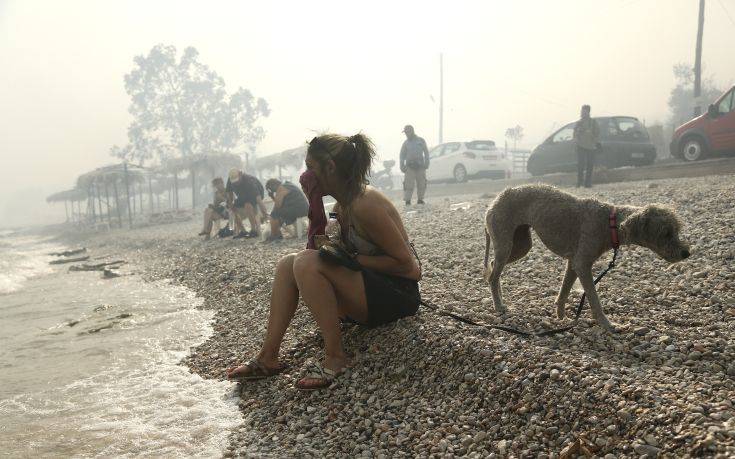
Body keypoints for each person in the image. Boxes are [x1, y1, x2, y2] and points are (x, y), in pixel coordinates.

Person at [226, 133, 422, 390]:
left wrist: (352, 258)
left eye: (310, 168)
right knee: (289, 263)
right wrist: (315, 208)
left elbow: (410, 268)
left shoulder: (365, 203)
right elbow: (315, 252)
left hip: (397, 298)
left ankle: (336, 357)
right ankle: (268, 357)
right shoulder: (342, 205)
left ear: (330, 168)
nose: (305, 175)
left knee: (306, 262)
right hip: (369, 290)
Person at [225, 169, 269, 238]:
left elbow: (259, 199)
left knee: (247, 205)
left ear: (240, 175)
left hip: (254, 196)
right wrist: (231, 205)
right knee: (232, 209)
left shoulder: (249, 181)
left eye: (237, 181)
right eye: (234, 182)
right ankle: (243, 231)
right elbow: (229, 194)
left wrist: (264, 214)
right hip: (242, 196)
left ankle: (254, 230)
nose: (235, 183)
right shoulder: (230, 179)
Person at [399, 125, 430, 205]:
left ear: (412, 131)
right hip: (409, 167)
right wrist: (402, 166)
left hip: (420, 166)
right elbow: (402, 155)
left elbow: (426, 152)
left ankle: (420, 200)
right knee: (408, 185)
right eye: (405, 133)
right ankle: (407, 201)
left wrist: (427, 163)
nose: (406, 134)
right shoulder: (405, 143)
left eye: (407, 132)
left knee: (422, 184)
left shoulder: (421, 141)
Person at [573, 104, 600, 188]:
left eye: (584, 111)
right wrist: (578, 133)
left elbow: (597, 133)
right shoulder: (579, 122)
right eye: (582, 111)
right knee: (580, 165)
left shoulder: (593, 122)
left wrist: (593, 137)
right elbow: (574, 134)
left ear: (588, 112)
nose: (582, 113)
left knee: (590, 165)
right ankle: (579, 182)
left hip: (591, 147)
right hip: (580, 146)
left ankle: (587, 183)